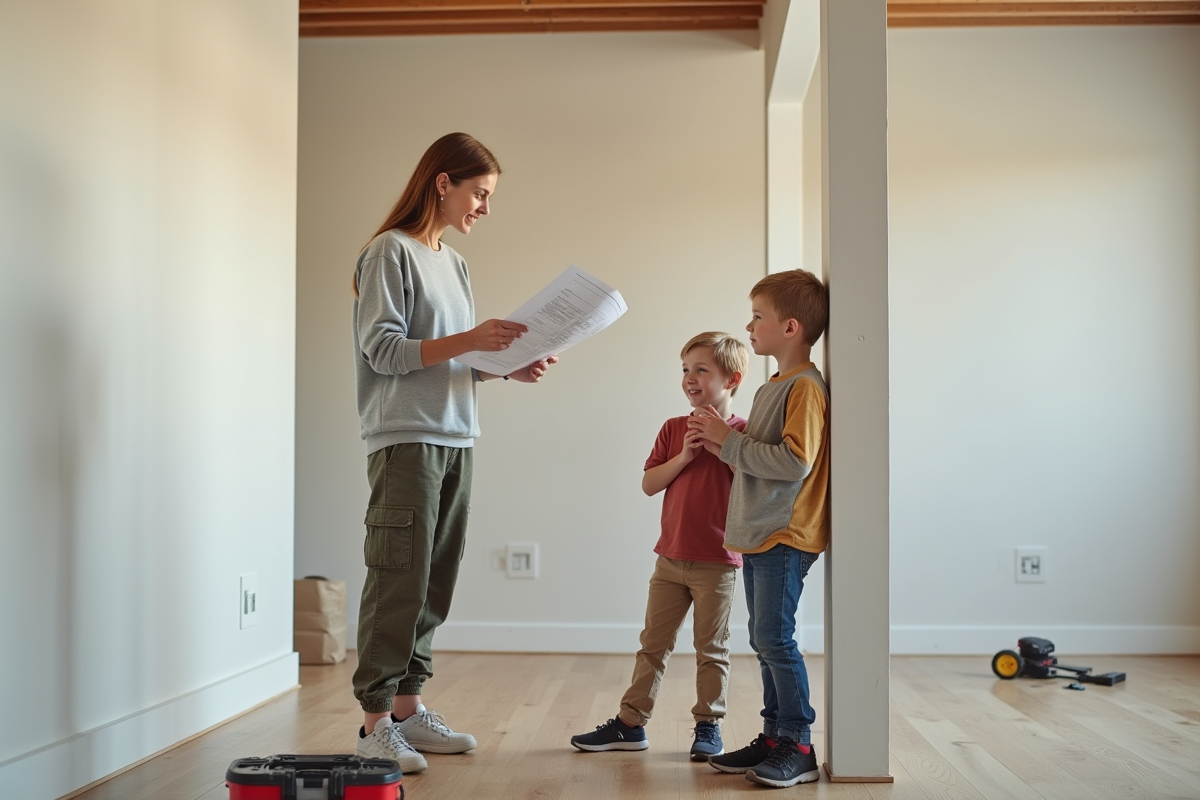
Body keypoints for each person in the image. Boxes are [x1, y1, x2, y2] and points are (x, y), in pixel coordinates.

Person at [350, 132, 556, 774]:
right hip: (406, 437)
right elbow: (382, 350)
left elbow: (450, 359)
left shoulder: (456, 264)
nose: (485, 209)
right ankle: (374, 724)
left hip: (457, 434)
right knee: (398, 576)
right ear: (444, 182)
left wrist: (499, 369)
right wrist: (470, 338)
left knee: (436, 577)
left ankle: (410, 711)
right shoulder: (389, 253)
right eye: (480, 193)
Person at [570, 331, 749, 761]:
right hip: (669, 558)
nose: (689, 378)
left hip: (717, 563)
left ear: (732, 379)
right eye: (685, 369)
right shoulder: (673, 430)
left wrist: (722, 442)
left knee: (711, 649)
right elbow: (650, 484)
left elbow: (753, 484)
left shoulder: (744, 432)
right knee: (653, 644)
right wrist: (685, 455)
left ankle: (708, 725)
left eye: (701, 369)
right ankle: (631, 725)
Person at [687, 269, 829, 788]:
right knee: (763, 637)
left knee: (776, 638)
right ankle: (773, 737)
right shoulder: (777, 385)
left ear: (790, 327)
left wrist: (727, 441)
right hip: (760, 532)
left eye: (757, 317)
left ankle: (799, 745)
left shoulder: (805, 388)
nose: (749, 326)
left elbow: (795, 462)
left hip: (784, 534)